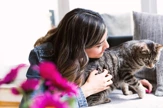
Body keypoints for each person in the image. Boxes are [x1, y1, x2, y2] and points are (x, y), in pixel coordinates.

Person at [20, 8, 152, 108]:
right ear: (79, 49)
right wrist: (88, 89)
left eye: (106, 39)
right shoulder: (42, 58)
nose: (107, 46)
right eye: (99, 44)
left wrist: (133, 82)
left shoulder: (94, 56)